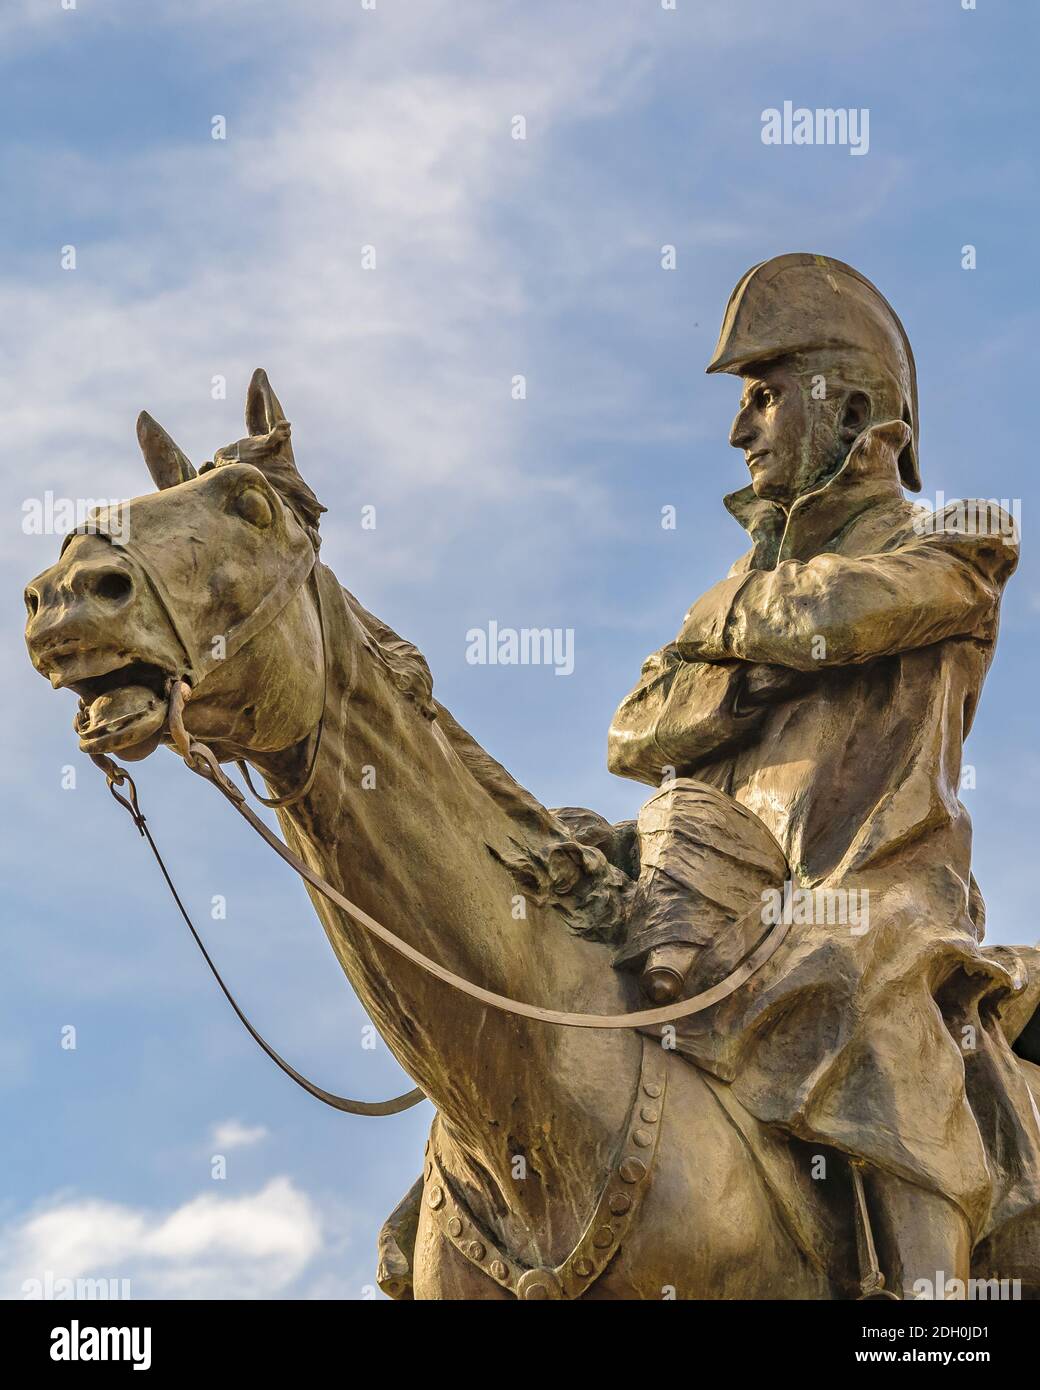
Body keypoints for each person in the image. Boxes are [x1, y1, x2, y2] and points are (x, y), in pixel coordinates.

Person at [608, 254, 1040, 1297]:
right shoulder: (752, 576)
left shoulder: (959, 537)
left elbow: (836, 615)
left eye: (760, 396)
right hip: (719, 879)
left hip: (876, 884)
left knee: (853, 966)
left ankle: (933, 1313)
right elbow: (632, 731)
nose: (737, 430)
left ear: (843, 403)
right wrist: (740, 684)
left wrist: (716, 626)